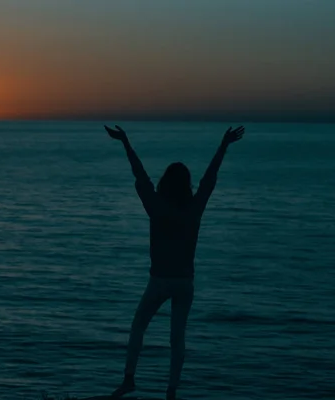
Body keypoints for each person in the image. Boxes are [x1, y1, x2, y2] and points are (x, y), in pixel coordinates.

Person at [104, 124, 245, 400]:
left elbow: (140, 174)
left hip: (159, 281)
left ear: (165, 183)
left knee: (138, 326)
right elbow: (209, 179)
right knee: (177, 337)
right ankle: (171, 391)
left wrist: (125, 142)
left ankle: (129, 380)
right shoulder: (194, 209)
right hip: (184, 282)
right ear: (186, 184)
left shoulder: (156, 206)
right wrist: (224, 145)